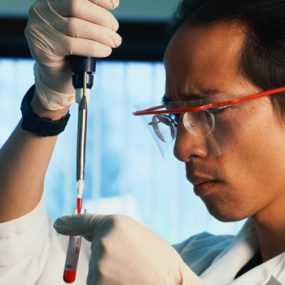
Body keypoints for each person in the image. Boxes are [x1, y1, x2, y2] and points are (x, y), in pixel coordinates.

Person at [1, 0, 285, 284]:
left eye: (211, 111)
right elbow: (21, 266)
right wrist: (47, 105)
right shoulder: (196, 261)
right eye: (174, 117)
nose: (182, 148)